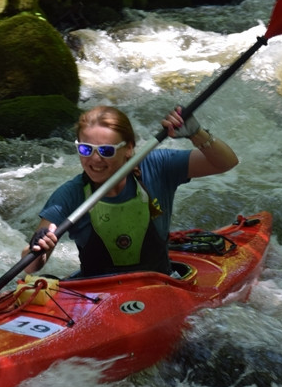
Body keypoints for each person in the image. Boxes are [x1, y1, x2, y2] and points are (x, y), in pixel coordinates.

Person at [22, 105, 239, 277]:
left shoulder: (157, 167)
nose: (95, 159)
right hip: (98, 297)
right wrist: (38, 252)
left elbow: (226, 162)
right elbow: (32, 267)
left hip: (159, 285)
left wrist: (196, 134)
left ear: (129, 149)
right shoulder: (70, 195)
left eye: (106, 150)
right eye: (85, 149)